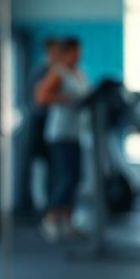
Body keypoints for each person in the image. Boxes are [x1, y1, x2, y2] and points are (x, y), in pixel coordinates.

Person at [35, 37, 89, 243]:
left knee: (75, 178)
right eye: (75, 52)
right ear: (67, 53)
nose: (78, 56)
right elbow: (41, 97)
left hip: (76, 133)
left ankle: (68, 220)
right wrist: (67, 100)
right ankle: (51, 219)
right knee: (65, 178)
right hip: (59, 134)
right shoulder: (58, 73)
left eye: (79, 52)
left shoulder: (80, 73)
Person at [17, 37, 59, 216]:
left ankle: (50, 204)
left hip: (54, 124)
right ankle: (35, 204)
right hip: (39, 123)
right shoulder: (41, 71)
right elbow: (38, 100)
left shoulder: (59, 72)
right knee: (37, 166)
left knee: (53, 167)